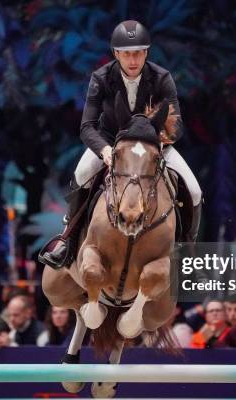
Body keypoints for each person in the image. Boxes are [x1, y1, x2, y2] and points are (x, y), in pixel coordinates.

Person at [40, 20, 203, 268]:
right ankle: (68, 241)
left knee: (194, 190)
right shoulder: (102, 78)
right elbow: (87, 126)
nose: (133, 60)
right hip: (109, 143)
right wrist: (105, 150)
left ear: (146, 52)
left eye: (138, 53)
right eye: (126, 54)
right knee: (82, 173)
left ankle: (187, 250)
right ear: (116, 54)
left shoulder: (162, 78)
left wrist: (154, 144)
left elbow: (177, 124)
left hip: (154, 146)